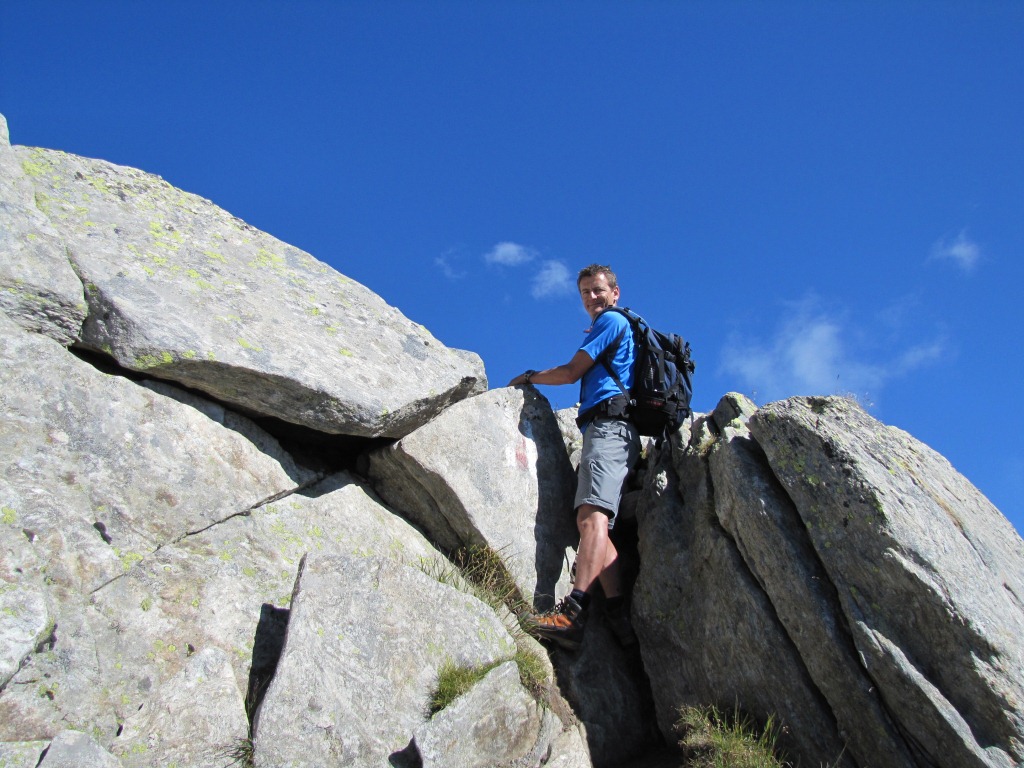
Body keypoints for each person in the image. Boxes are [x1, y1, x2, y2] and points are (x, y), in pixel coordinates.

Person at [507, 263, 641, 650]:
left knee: (591, 517)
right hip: (609, 429)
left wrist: (529, 377)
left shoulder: (611, 321)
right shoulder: (614, 325)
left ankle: (572, 614)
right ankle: (617, 614)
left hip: (609, 427)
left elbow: (570, 373)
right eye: (585, 292)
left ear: (615, 293)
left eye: (598, 290)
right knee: (594, 522)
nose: (592, 297)